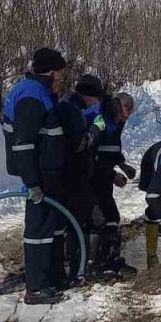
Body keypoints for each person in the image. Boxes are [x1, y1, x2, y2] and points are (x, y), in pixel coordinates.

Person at [2, 47, 69, 305]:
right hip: (39, 174)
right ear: (51, 72)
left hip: (47, 172)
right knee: (38, 229)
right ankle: (37, 287)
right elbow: (23, 143)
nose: (62, 79)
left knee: (50, 227)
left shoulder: (39, 91)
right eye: (60, 74)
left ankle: (50, 278)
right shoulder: (30, 95)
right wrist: (32, 183)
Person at [77, 75, 137, 277]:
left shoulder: (115, 122)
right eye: (123, 116)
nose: (124, 120)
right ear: (117, 109)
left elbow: (111, 149)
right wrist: (112, 174)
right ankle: (93, 265)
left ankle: (109, 260)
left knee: (111, 217)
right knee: (99, 219)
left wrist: (122, 164)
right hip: (90, 178)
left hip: (103, 177)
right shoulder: (100, 118)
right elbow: (92, 155)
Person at [54, 76, 97, 286]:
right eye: (94, 98)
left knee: (72, 219)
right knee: (76, 220)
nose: (95, 102)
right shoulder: (71, 110)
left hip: (70, 174)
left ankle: (73, 265)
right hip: (73, 175)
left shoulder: (68, 104)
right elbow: (79, 143)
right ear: (88, 95)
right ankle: (76, 267)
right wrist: (94, 132)